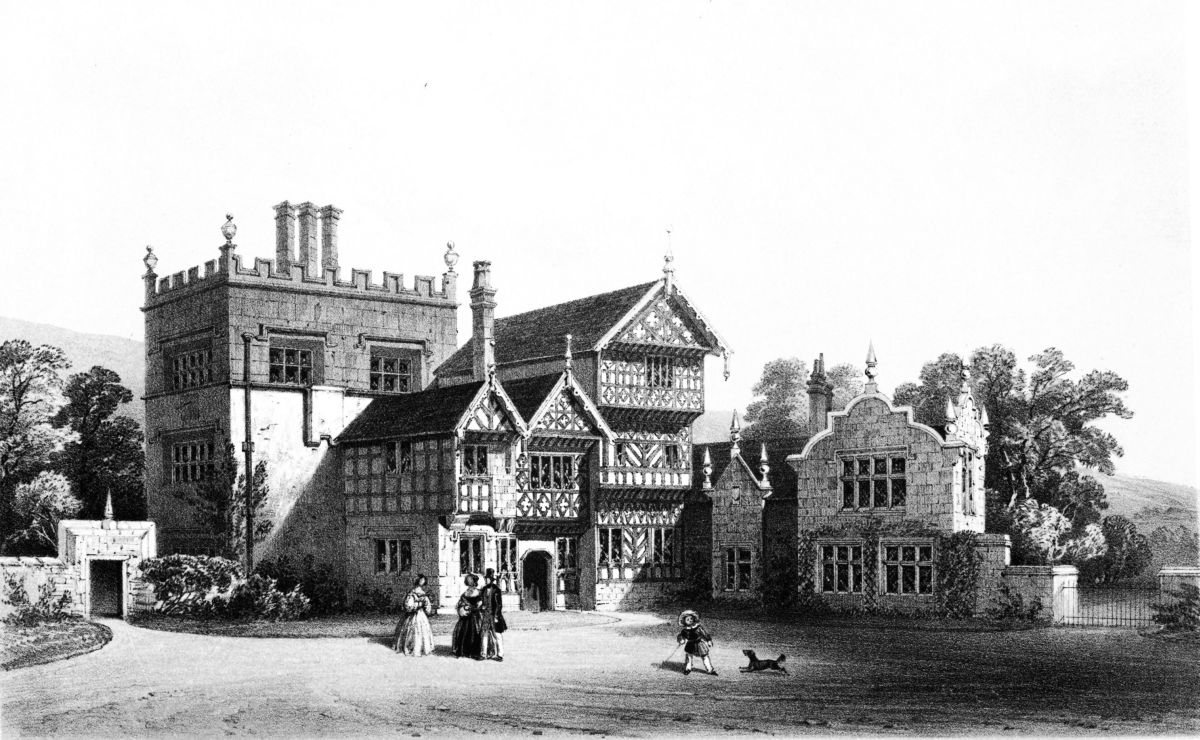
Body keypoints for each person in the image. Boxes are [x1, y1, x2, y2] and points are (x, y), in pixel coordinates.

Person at [394, 574, 435, 656]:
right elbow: (408, 606)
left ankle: (421, 648)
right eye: (421, 580)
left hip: (420, 614)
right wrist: (418, 606)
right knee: (412, 631)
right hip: (412, 615)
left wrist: (426, 607)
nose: (422, 582)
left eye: (423, 580)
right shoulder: (412, 593)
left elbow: (427, 607)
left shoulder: (422, 593)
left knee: (421, 631)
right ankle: (411, 647)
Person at [451, 573, 485, 659]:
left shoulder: (479, 592)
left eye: (470, 580)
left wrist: (477, 606)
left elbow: (481, 603)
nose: (469, 582)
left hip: (476, 616)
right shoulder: (465, 593)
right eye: (468, 581)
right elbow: (459, 604)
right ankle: (463, 651)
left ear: (474, 582)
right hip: (466, 617)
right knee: (463, 632)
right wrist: (463, 608)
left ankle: (475, 652)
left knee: (476, 632)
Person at [677, 609, 717, 676]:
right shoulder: (685, 630)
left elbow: (705, 634)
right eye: (688, 619)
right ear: (684, 621)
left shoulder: (698, 628)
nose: (690, 620)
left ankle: (710, 670)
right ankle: (688, 669)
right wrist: (681, 640)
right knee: (689, 656)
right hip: (690, 644)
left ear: (694, 619)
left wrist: (709, 640)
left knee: (704, 656)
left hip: (699, 644)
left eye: (691, 619)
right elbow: (681, 636)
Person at [480, 568, 507, 661]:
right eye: (485, 578)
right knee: (484, 634)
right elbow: (482, 601)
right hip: (486, 615)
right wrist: (482, 607)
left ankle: (500, 655)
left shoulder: (496, 590)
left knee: (497, 635)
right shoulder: (484, 589)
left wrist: (496, 616)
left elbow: (499, 605)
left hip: (494, 615)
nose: (486, 580)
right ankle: (483, 654)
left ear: (491, 579)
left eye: (487, 578)